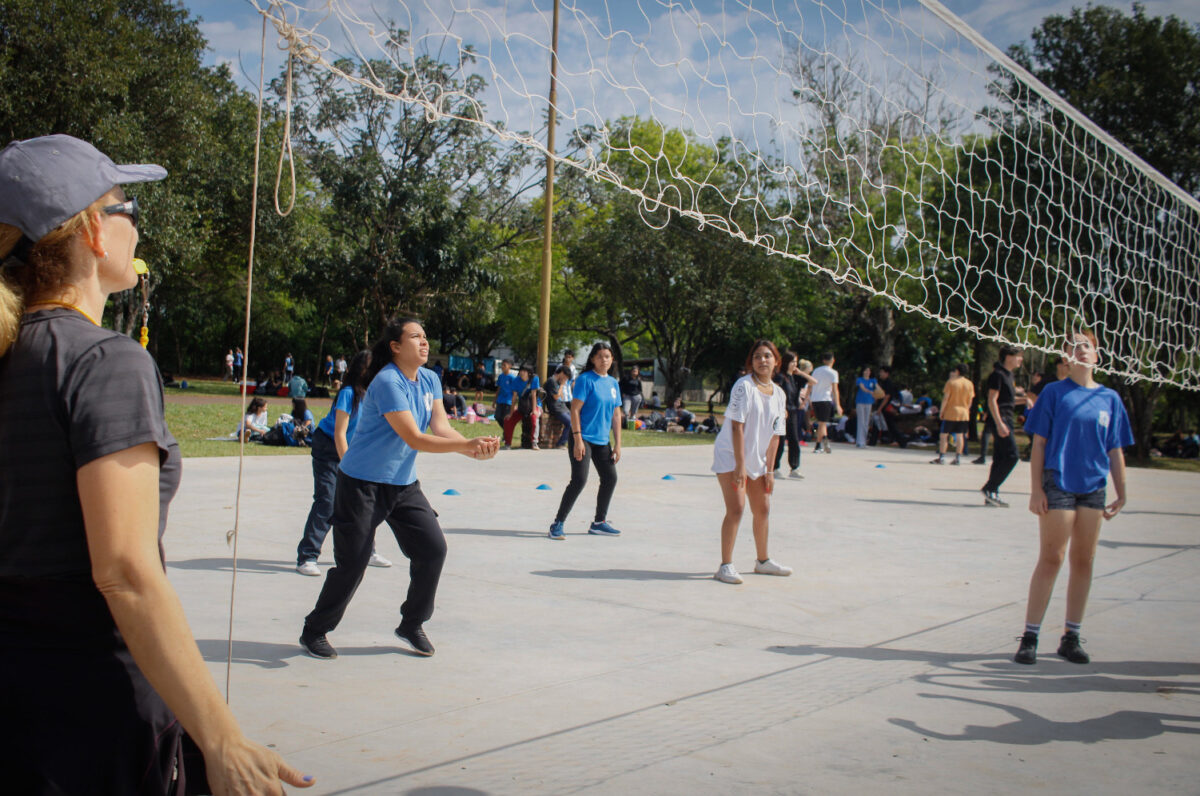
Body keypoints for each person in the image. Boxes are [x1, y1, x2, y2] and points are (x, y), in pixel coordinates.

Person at [0, 134, 310, 792]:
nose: (136, 224)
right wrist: (220, 737)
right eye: (127, 204)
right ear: (90, 227)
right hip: (92, 717)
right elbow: (126, 574)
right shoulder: (102, 361)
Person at [299, 318, 499, 660]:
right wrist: (465, 445)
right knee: (353, 564)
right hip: (361, 484)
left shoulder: (430, 379)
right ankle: (315, 630)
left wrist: (471, 447)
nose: (424, 343)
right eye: (416, 337)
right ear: (395, 346)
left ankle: (412, 623)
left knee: (432, 549)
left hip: (403, 485)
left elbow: (440, 427)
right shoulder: (388, 381)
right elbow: (415, 437)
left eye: (425, 336)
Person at [1012, 329, 1131, 665]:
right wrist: (1036, 490)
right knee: (1052, 557)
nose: (1079, 349)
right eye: (1072, 347)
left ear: (1097, 355)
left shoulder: (1110, 398)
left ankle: (1071, 636)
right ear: (1065, 358)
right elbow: (1038, 444)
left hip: (1093, 486)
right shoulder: (1054, 393)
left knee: (1084, 560)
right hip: (1058, 482)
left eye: (1086, 345)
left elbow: (1115, 449)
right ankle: (1030, 635)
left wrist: (1122, 493)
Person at [297, 351, 392, 575]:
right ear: (362, 370)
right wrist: (350, 468)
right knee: (327, 501)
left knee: (365, 502)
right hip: (329, 447)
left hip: (354, 450)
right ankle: (307, 557)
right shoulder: (349, 393)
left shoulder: (376, 393)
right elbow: (340, 433)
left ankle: (367, 551)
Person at [711, 340, 792, 584]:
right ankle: (725, 566)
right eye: (757, 356)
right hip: (731, 455)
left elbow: (777, 435)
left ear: (776, 361)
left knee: (763, 509)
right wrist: (740, 465)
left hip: (757, 458)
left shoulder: (779, 393)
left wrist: (770, 470)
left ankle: (763, 561)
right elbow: (737, 426)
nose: (762, 360)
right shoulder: (743, 386)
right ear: (751, 361)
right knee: (736, 509)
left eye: (767, 356)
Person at [547, 342, 623, 540]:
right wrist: (577, 438)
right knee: (579, 480)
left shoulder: (613, 384)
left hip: (602, 441)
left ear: (612, 359)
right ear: (592, 359)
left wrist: (618, 444)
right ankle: (558, 523)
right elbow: (575, 409)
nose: (603, 359)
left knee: (610, 478)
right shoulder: (585, 380)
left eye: (607, 356)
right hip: (583, 438)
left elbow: (617, 415)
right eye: (599, 356)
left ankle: (599, 523)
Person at [982, 345, 1024, 506]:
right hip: (1000, 420)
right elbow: (992, 399)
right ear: (1008, 357)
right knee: (1012, 455)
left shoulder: (1009, 375)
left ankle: (992, 493)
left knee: (1000, 457)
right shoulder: (997, 375)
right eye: (1018, 356)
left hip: (1007, 419)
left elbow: (1008, 401)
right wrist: (999, 424)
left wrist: (1025, 400)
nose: (1020, 359)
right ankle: (990, 487)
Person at [772, 350, 815, 477]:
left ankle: (794, 468)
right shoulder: (780, 376)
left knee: (794, 440)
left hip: (793, 411)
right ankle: (774, 467)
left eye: (796, 361)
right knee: (780, 440)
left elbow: (813, 382)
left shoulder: (794, 377)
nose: (794, 364)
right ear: (785, 362)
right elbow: (774, 393)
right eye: (792, 362)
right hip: (781, 412)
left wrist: (800, 372)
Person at [930, 364, 976, 465]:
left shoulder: (951, 382)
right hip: (963, 412)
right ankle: (958, 458)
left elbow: (946, 398)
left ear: (957, 371)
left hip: (951, 411)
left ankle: (942, 457)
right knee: (960, 436)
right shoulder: (969, 384)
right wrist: (966, 410)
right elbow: (970, 401)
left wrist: (942, 411)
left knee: (944, 435)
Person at [501, 364, 541, 450]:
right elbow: (514, 398)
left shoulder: (535, 379)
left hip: (534, 405)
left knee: (534, 420)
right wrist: (511, 413)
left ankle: (534, 442)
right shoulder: (516, 380)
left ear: (529, 373)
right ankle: (508, 443)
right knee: (508, 420)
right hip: (522, 407)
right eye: (521, 371)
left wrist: (534, 410)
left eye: (524, 371)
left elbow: (534, 395)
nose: (521, 373)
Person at [810, 351, 841, 454]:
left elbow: (811, 384)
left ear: (823, 360)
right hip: (825, 399)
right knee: (822, 423)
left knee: (821, 422)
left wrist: (807, 398)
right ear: (833, 360)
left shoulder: (816, 371)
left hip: (815, 398)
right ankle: (818, 444)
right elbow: (835, 390)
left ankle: (826, 441)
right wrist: (838, 405)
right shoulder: (833, 373)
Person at [543, 365, 573, 448]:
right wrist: (562, 385)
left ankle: (572, 442)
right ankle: (561, 443)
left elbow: (561, 396)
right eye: (566, 377)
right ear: (562, 373)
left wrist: (561, 385)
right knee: (570, 424)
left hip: (562, 407)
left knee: (576, 421)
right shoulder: (551, 381)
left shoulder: (557, 382)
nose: (566, 379)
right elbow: (556, 397)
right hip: (556, 408)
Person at [853, 365, 878, 448]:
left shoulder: (873, 380)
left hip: (869, 402)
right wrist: (870, 392)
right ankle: (859, 441)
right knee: (861, 420)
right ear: (863, 371)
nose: (868, 372)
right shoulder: (859, 380)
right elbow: (862, 388)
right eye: (866, 370)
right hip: (860, 402)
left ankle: (864, 441)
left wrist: (878, 394)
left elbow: (877, 388)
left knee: (866, 421)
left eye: (869, 371)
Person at [494, 358, 520, 429]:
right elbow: (498, 389)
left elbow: (515, 392)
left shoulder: (512, 378)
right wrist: (494, 400)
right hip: (500, 400)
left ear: (510, 366)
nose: (502, 367)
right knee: (497, 416)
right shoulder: (500, 376)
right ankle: (506, 430)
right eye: (502, 365)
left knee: (505, 418)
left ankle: (506, 433)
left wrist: (514, 403)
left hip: (508, 401)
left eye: (504, 365)